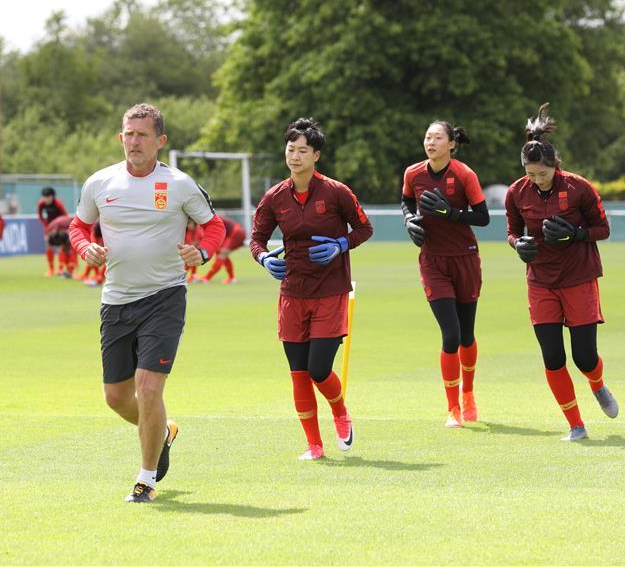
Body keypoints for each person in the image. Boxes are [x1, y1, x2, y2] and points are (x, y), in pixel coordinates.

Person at [68, 103, 226, 502]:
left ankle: (146, 479)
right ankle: (163, 432)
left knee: (148, 387)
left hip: (165, 298)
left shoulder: (179, 184)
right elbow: (79, 224)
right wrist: (85, 246)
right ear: (120, 138)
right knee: (117, 398)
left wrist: (203, 252)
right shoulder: (100, 183)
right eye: (128, 134)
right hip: (116, 300)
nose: (133, 141)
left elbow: (214, 225)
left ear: (160, 141)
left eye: (142, 135)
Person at [250, 117, 372, 460]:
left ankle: (340, 412)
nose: (295, 156)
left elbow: (364, 228)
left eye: (303, 150)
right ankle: (313, 445)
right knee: (298, 373)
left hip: (330, 292)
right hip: (292, 293)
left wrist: (340, 245)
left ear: (316, 155)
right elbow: (257, 240)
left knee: (319, 369)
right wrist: (264, 260)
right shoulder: (274, 197)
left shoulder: (336, 192)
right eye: (291, 150)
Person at [504, 103, 618, 442]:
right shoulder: (516, 192)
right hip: (540, 281)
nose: (537, 180)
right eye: (531, 174)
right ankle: (576, 425)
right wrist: (518, 244)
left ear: (554, 164)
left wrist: (577, 234)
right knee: (553, 357)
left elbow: (603, 229)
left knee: (583, 358)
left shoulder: (579, 188)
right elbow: (512, 230)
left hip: (579, 277)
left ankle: (596, 384)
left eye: (543, 173)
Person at [401, 121, 489, 428]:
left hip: (465, 258)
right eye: (427, 137)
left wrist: (451, 214)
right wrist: (410, 220)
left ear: (451, 144)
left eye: (438, 137)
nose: (431, 142)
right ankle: (453, 408)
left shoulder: (464, 174)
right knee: (450, 335)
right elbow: (407, 200)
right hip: (433, 261)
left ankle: (469, 394)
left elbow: (483, 217)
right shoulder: (413, 173)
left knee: (466, 335)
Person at [200, 215, 245, 283]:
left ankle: (207, 278)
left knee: (222, 253)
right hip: (234, 233)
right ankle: (231, 278)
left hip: (236, 233)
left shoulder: (209, 219)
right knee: (221, 253)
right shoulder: (208, 217)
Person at [37, 187, 68, 276]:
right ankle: (51, 269)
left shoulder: (58, 203)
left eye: (48, 197)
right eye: (44, 197)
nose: (46, 199)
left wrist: (61, 228)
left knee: (60, 246)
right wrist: (46, 226)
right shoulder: (41, 204)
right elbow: (40, 216)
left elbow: (65, 216)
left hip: (60, 226)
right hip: (49, 226)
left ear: (52, 197)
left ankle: (61, 269)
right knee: (48, 245)